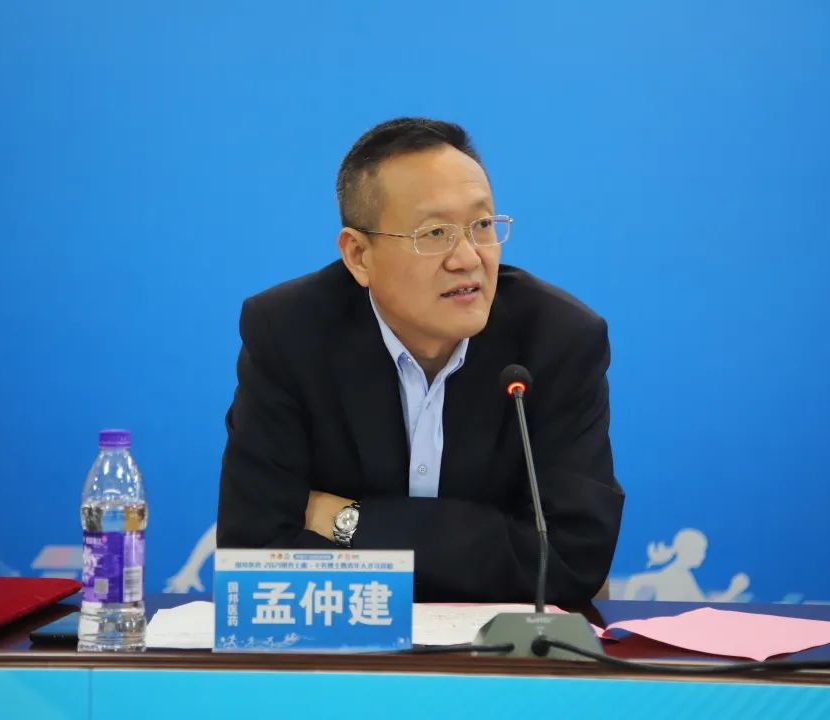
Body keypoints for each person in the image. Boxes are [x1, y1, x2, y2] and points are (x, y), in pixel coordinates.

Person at [217, 117, 624, 604]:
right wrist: (480, 547)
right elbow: (255, 553)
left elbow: (570, 559)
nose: (468, 258)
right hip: (344, 644)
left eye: (482, 226)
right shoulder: (289, 333)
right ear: (358, 255)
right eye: (434, 233)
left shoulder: (559, 341)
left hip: (504, 647)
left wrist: (351, 521)